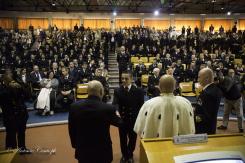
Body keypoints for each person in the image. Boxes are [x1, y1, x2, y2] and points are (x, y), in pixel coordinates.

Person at [68, 80, 122, 163]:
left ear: (87, 91)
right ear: (101, 91)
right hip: (103, 151)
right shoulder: (108, 108)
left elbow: (71, 129)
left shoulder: (74, 107)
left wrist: (76, 145)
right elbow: (120, 123)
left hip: (82, 149)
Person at [113, 71, 144, 163]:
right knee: (122, 139)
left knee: (132, 139)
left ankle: (130, 155)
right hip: (122, 119)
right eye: (122, 78)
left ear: (131, 79)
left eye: (126, 79)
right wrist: (116, 110)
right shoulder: (118, 90)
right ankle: (124, 155)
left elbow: (141, 106)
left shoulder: (138, 91)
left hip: (133, 119)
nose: (124, 80)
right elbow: (115, 103)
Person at [0, 70, 30, 153]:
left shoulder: (18, 84)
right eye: (9, 74)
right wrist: (10, 87)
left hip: (21, 113)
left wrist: (20, 85)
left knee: (21, 132)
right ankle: (11, 150)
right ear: (5, 76)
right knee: (10, 133)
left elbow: (28, 95)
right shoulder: (2, 86)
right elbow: (2, 97)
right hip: (9, 114)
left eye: (11, 74)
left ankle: (22, 148)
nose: (10, 76)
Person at [195, 68, 222, 134]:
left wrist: (192, 118)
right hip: (211, 126)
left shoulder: (207, 93)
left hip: (203, 129)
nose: (198, 80)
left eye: (199, 77)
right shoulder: (215, 89)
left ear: (206, 78)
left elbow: (206, 116)